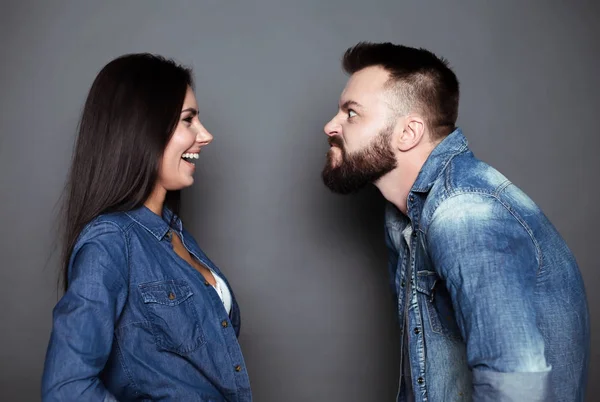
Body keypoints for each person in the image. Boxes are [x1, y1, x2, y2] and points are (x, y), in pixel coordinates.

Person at [321, 42, 589, 401]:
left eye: (351, 113)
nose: (330, 126)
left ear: (408, 133)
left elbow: (516, 382)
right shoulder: (403, 216)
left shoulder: (463, 214)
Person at [42, 53, 252, 401]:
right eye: (188, 120)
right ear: (143, 129)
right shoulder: (110, 241)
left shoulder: (172, 232)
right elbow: (66, 388)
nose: (206, 135)